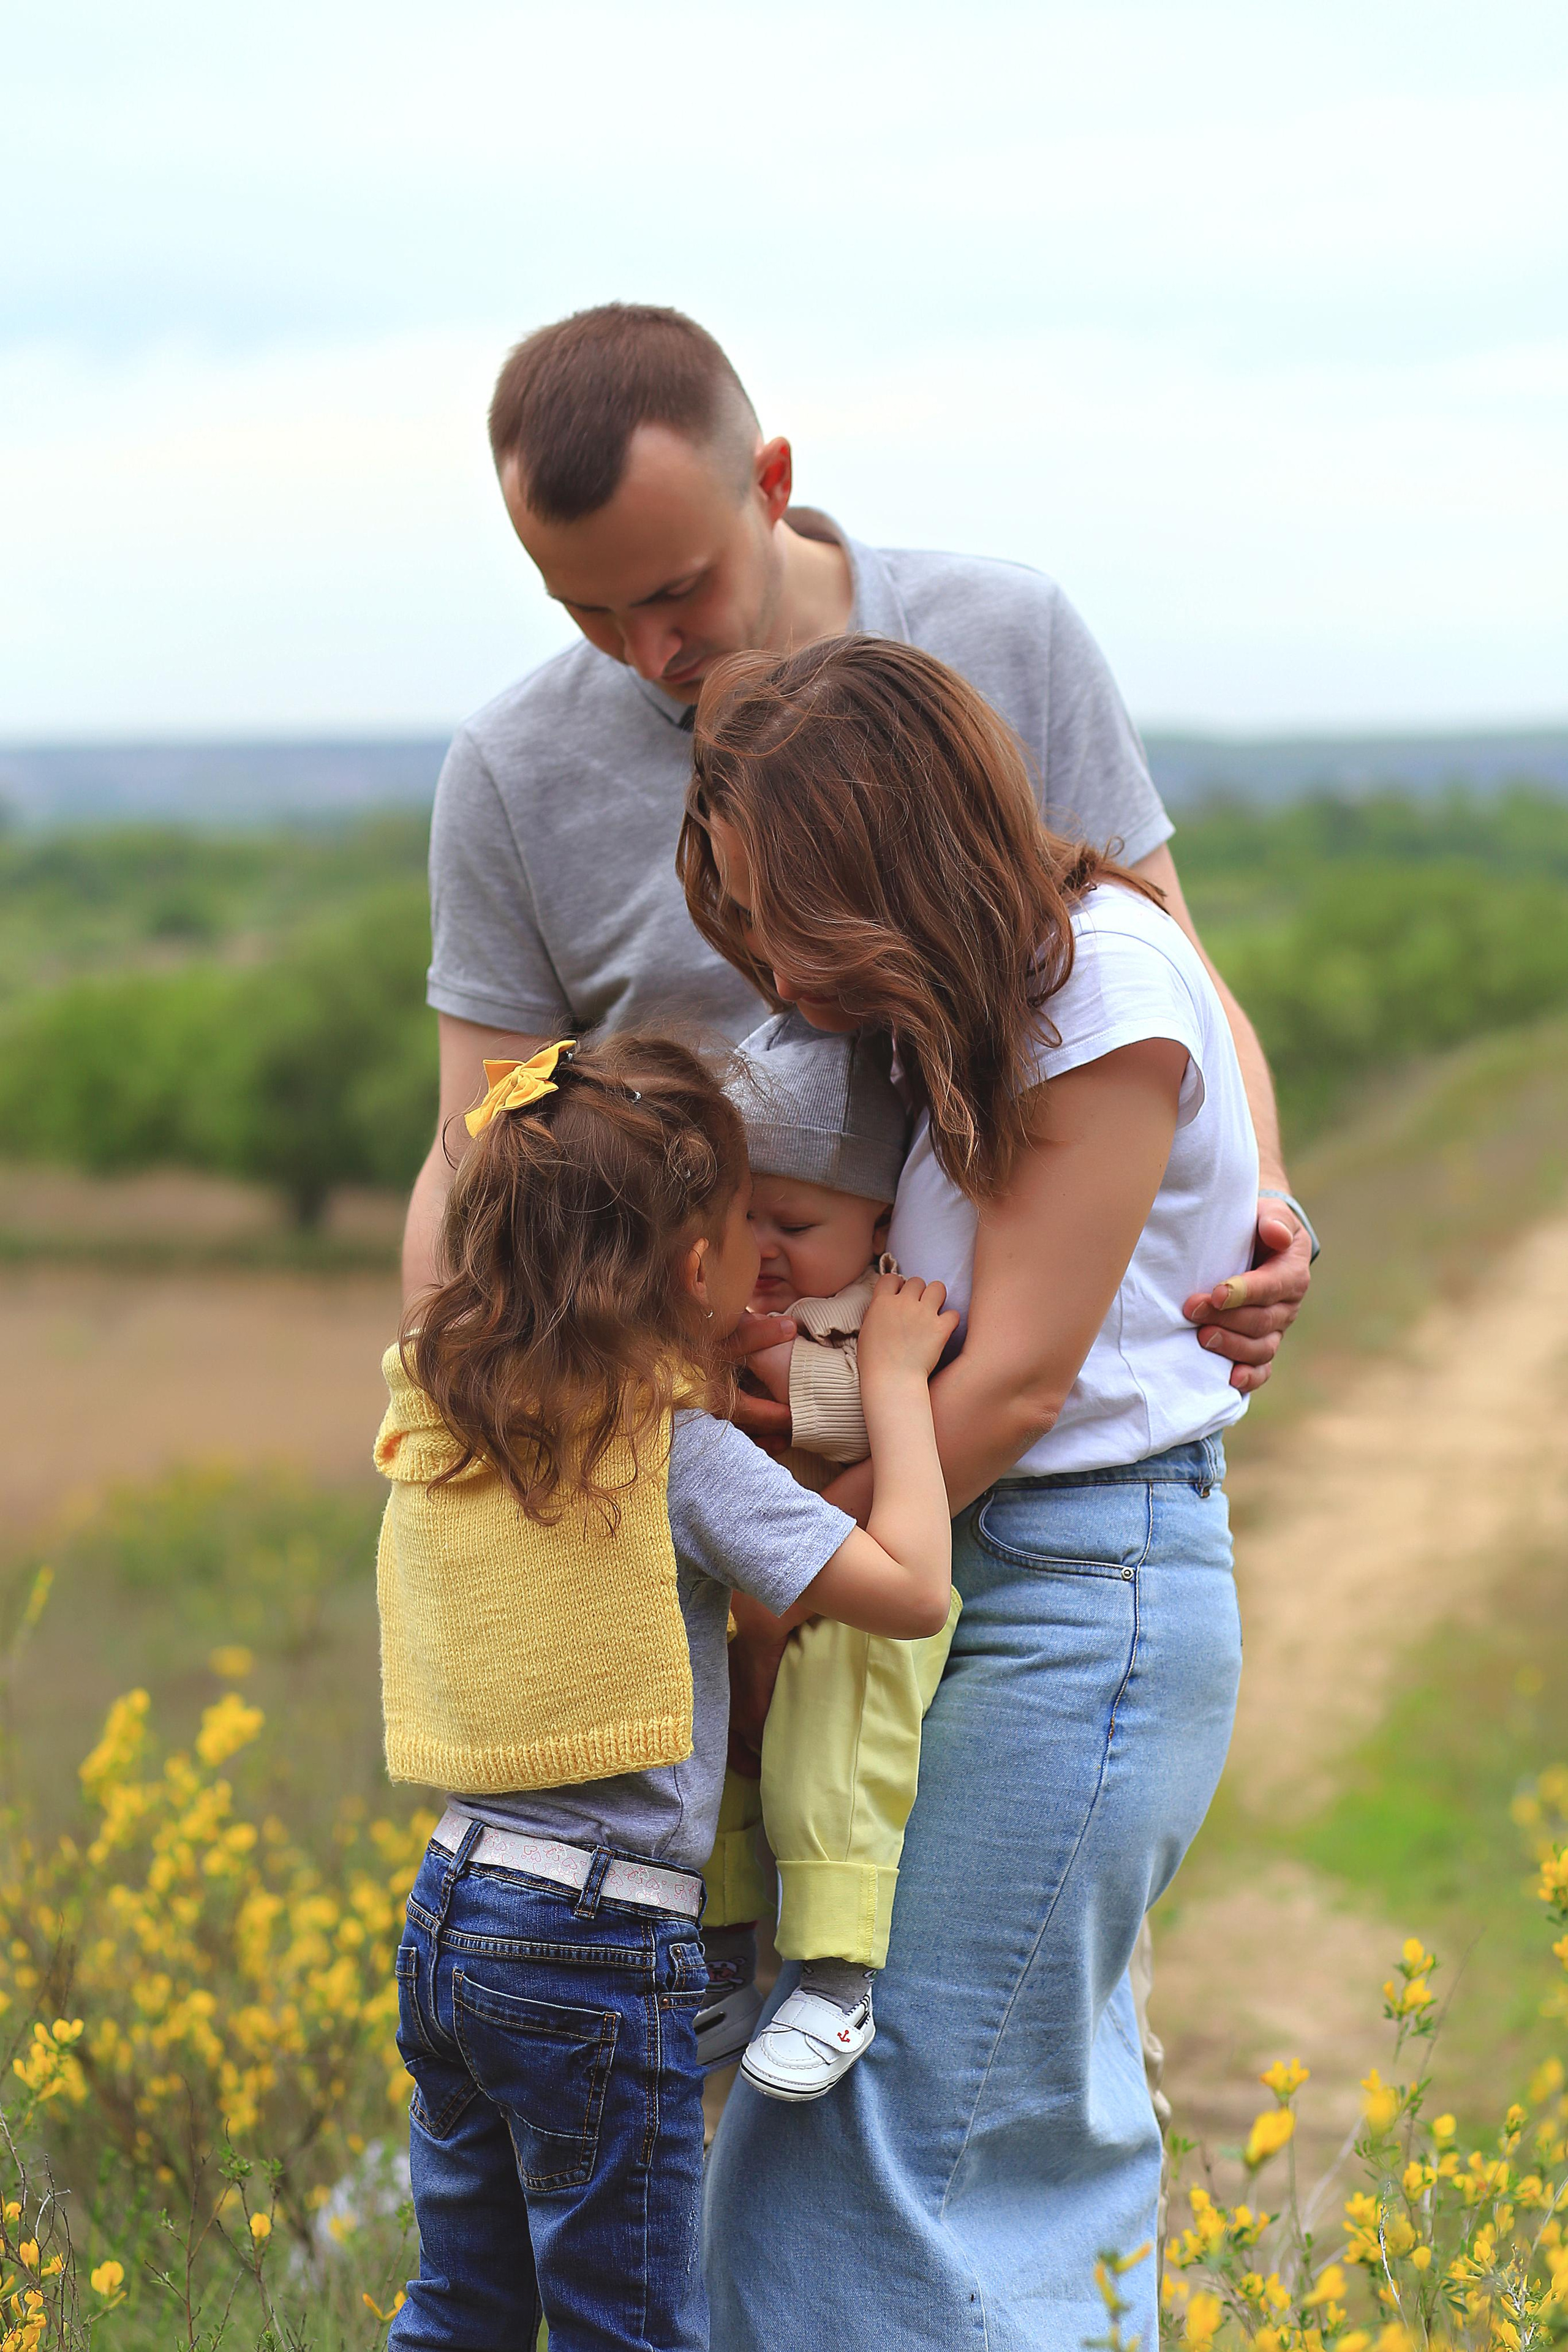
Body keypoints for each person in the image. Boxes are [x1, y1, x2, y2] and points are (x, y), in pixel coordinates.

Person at [401, 303, 1314, 1433]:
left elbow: (1173, 968)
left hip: (1036, 1426)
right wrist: (466, 1424)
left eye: (674, 590)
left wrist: (1265, 1198)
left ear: (771, 481)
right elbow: (487, 1143)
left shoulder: (1008, 636)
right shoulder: (510, 767)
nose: (649, 653)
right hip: (702, 1438)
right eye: (586, 608)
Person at [679, 638, 1254, 2351]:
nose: (778, 969)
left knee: (883, 2138)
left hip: (1072, 1593)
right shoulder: (975, 1018)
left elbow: (1005, 1384)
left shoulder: (1104, 1001)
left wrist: (787, 1586)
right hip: (974, 1573)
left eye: (794, 916)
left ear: (894, 858)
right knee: (987, 2144)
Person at [375, 1033, 957, 2351]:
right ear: (700, 1269)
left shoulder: (440, 1409)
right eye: (747, 1224)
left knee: (460, 2303)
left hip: (452, 1906)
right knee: (625, 2322)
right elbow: (912, 1586)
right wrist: (894, 1386)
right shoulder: (678, 1457)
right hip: (592, 1942)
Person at [697, 1014, 963, 2103]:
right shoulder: (747, 1303)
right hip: (753, 1590)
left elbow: (854, 1410)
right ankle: (714, 1954)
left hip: (863, 1608)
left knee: (831, 1736)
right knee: (696, 1737)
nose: (763, 1247)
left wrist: (755, 1361)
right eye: (739, 1215)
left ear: (885, 1225)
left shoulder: (879, 1316)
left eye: (795, 1221)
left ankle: (835, 1970)